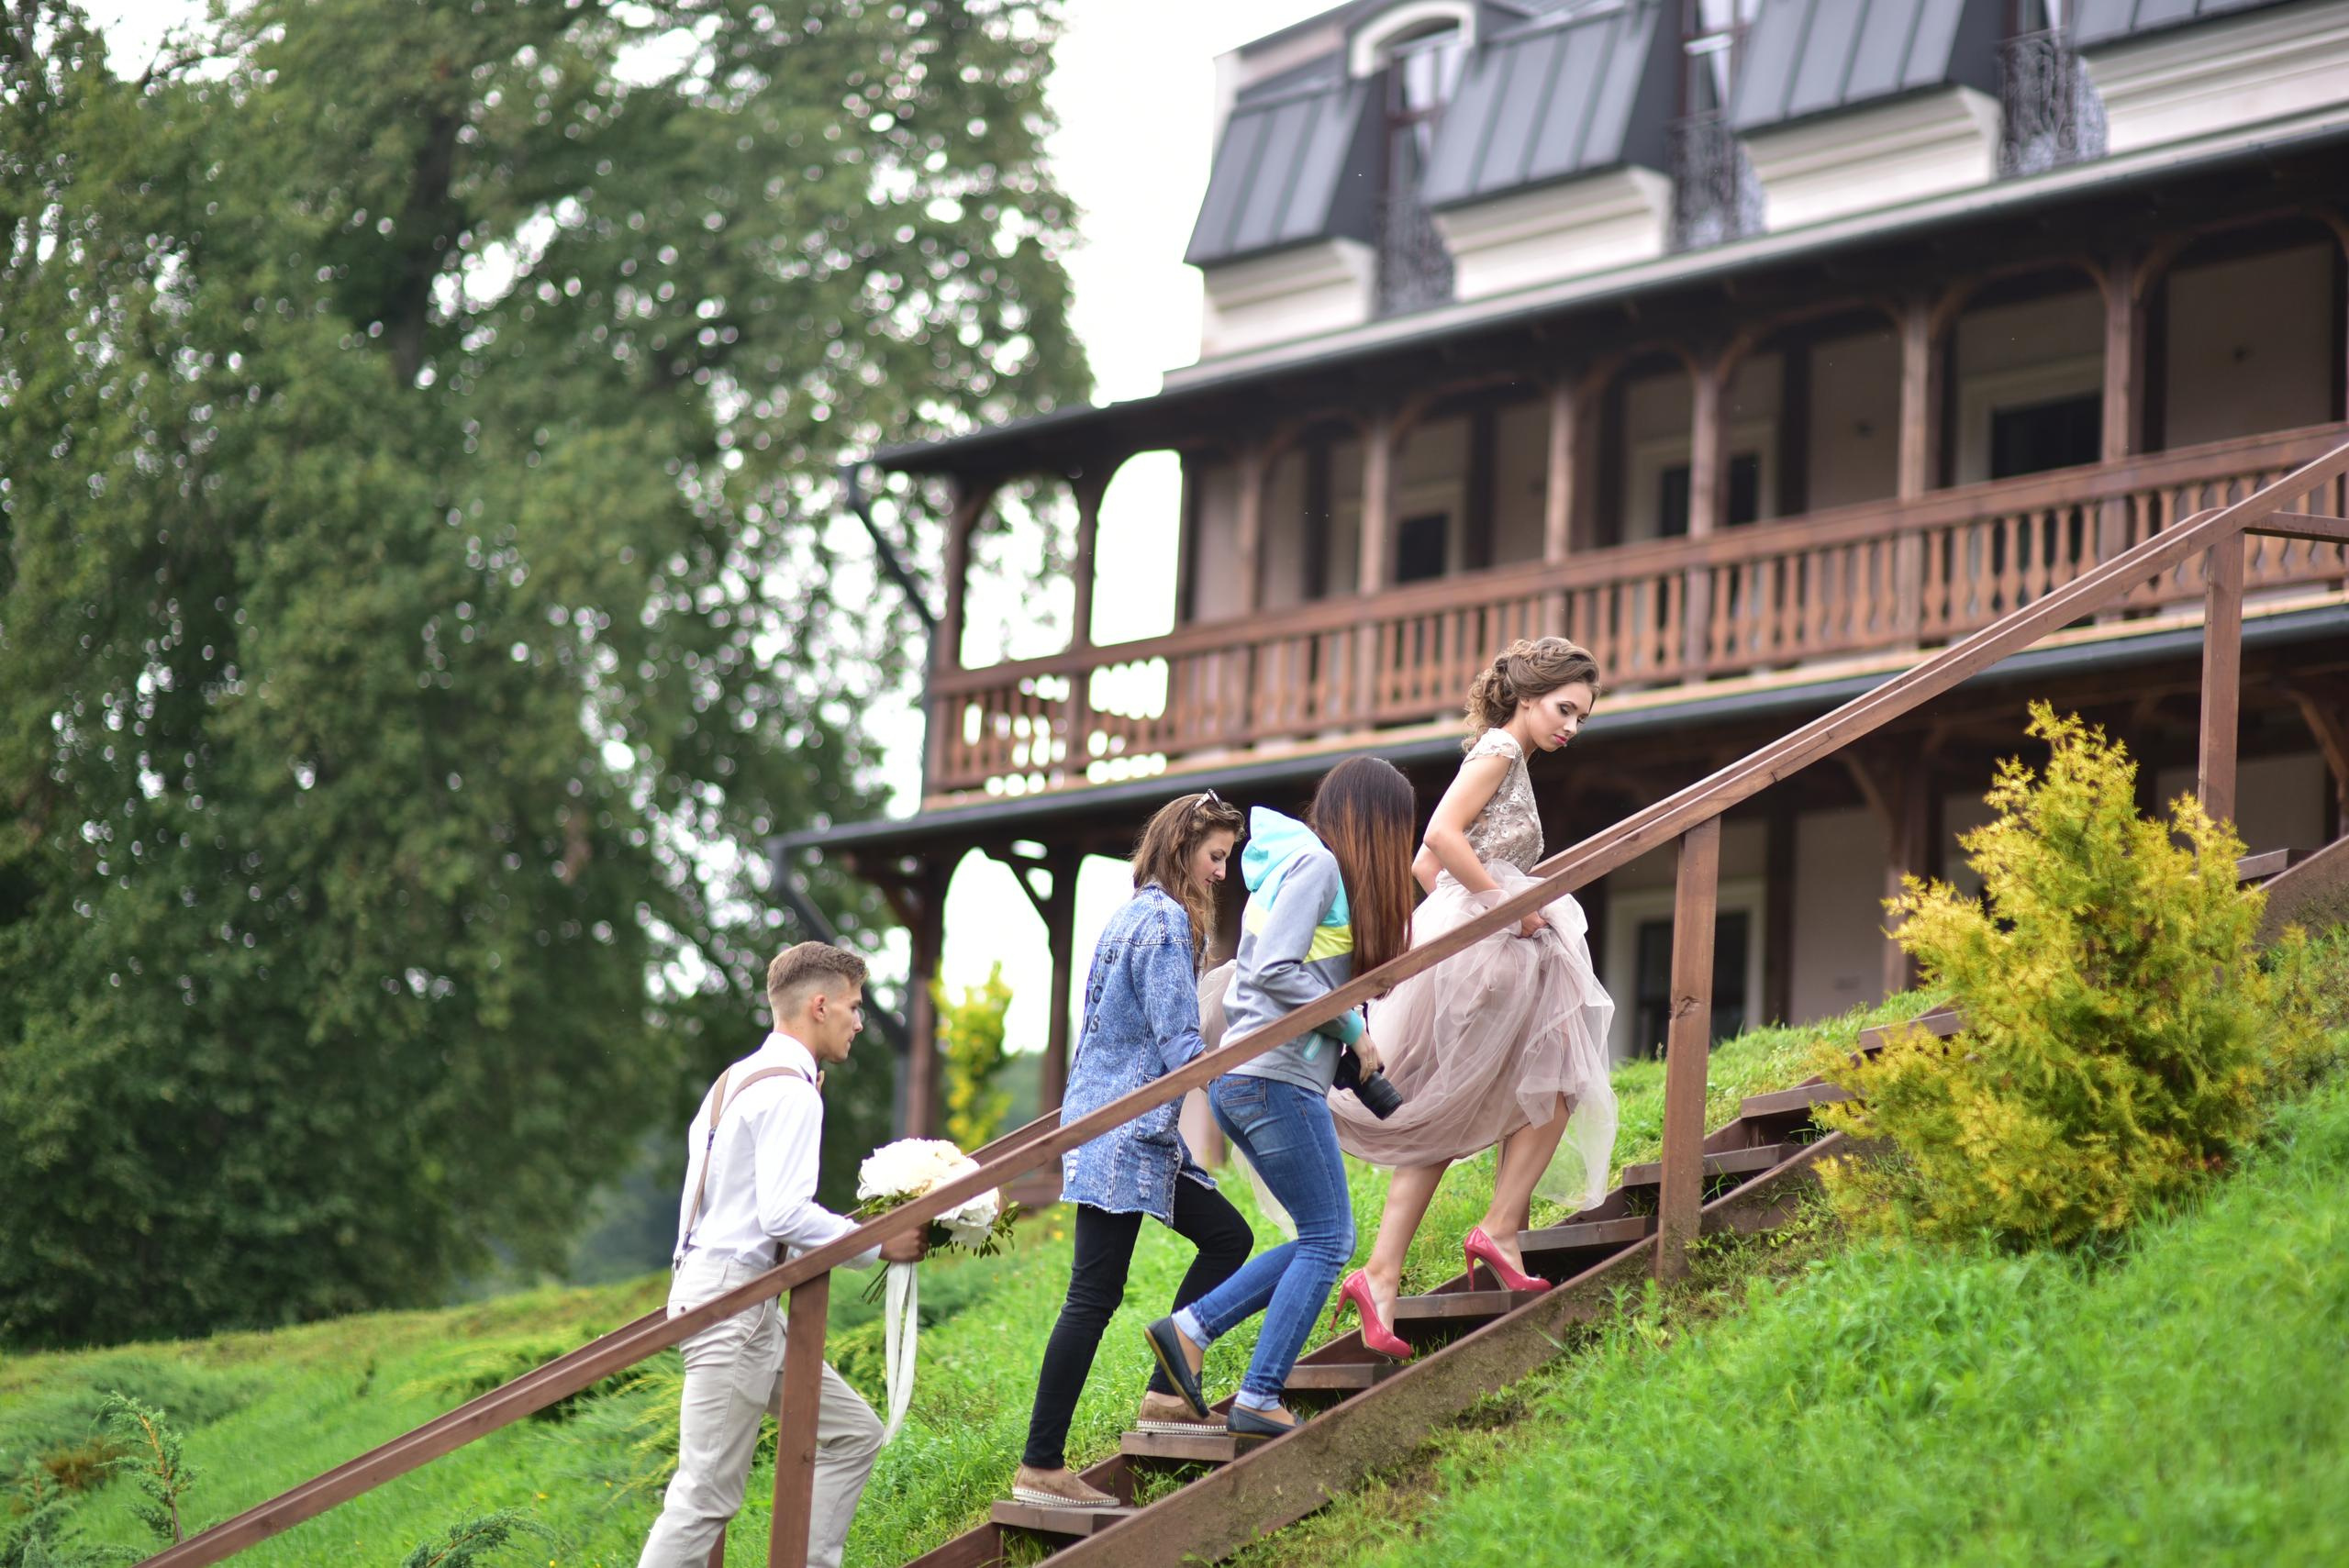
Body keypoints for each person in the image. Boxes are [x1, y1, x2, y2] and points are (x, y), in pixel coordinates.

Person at [1331, 637, 1618, 1352]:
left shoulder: (1504, 757)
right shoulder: (1500, 750)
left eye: (1581, 717)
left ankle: (1388, 1274)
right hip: (1495, 949)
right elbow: (1439, 835)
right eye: (1564, 709)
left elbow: (1429, 864)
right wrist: (1501, 909)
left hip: (1486, 949)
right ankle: (1492, 1229)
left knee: (1506, 1088)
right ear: (1527, 697)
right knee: (1554, 1076)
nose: (1571, 728)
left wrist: (1470, 912)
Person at [1142, 756, 1419, 1439]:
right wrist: (1353, 1028)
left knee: (1320, 1236)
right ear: (1375, 820)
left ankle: (1192, 1332)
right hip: (1273, 1075)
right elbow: (1270, 970)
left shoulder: (1295, 865)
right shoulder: (1320, 866)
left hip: (1256, 1075)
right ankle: (1256, 1391)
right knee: (1331, 1238)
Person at [638, 941, 919, 1568]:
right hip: (732, 1303)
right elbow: (783, 1214)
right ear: (819, 1005)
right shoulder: (792, 1093)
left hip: (729, 1297)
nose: (858, 1020)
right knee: (704, 1492)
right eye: (852, 1005)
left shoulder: (734, 1080)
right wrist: (879, 1243)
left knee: (853, 1433)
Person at [1011, 790, 1254, 1508]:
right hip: (1123, 1134)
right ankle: (1041, 1463)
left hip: (1132, 1130)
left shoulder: (1130, 913)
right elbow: (1180, 1041)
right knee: (1092, 1296)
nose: (1220, 874)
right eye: (1215, 857)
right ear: (1183, 848)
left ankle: (1166, 1392)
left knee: (1225, 1236)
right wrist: (1255, 1067)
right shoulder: (1161, 921)